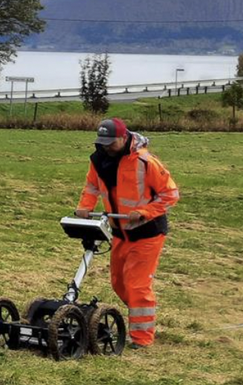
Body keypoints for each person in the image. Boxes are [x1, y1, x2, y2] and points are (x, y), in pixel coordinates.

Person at [74, 118, 179, 349]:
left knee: (137, 285)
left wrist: (144, 212)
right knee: (119, 283)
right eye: (102, 142)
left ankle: (141, 338)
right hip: (119, 232)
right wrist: (85, 207)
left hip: (147, 234)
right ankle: (139, 319)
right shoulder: (99, 160)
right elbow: (92, 186)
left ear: (124, 138)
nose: (106, 147)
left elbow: (170, 194)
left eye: (111, 142)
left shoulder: (145, 161)